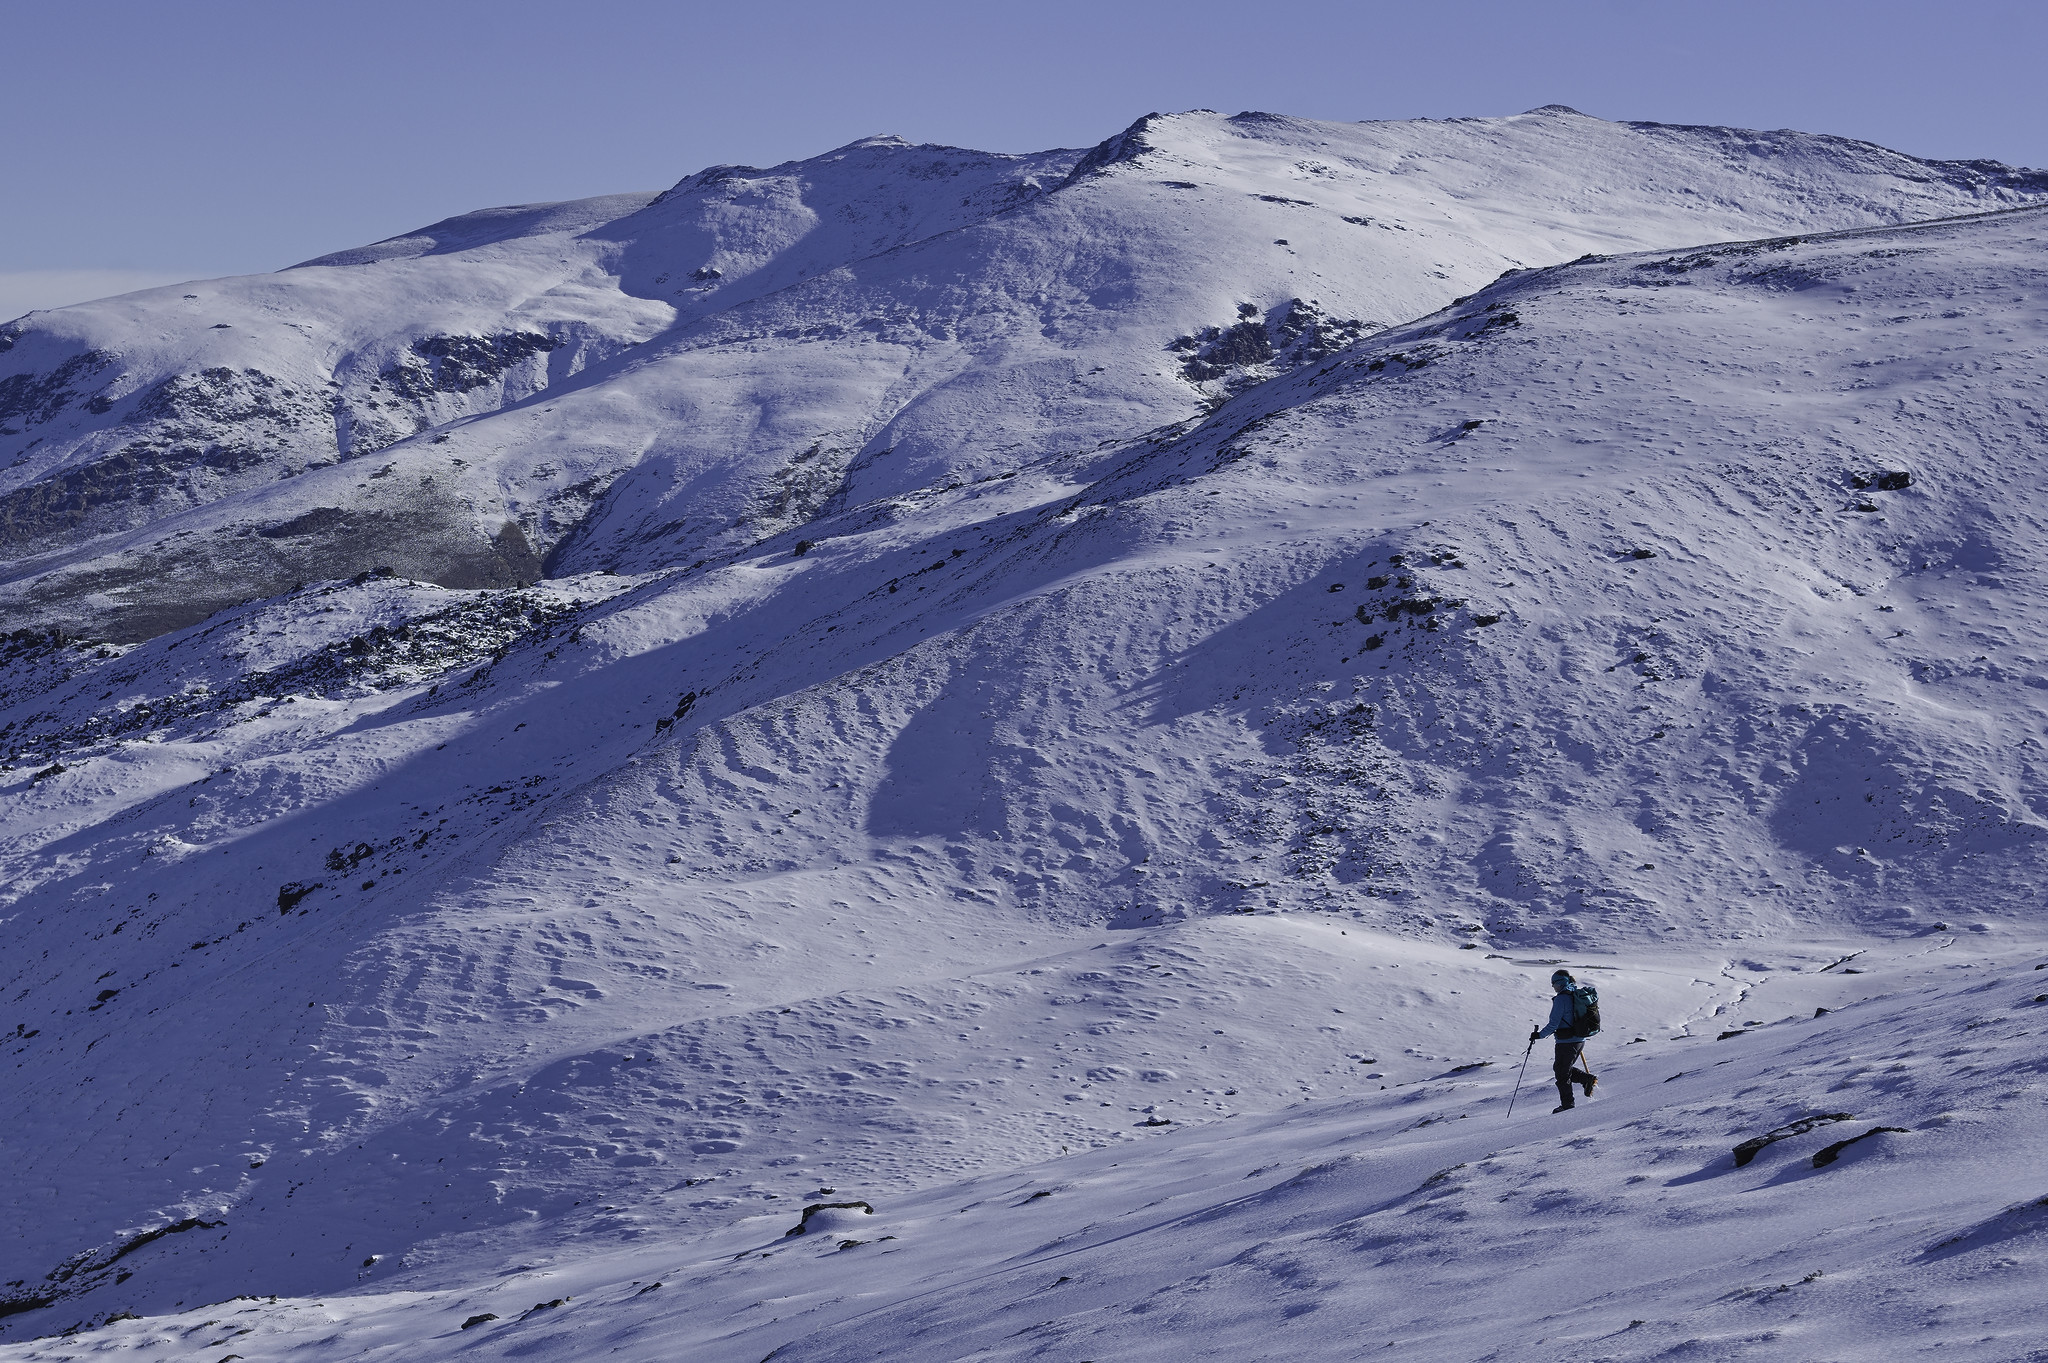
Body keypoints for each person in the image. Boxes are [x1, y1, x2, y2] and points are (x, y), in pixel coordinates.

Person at [1530, 969, 1598, 1113]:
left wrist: (1539, 1035)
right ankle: (1586, 1080)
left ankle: (1568, 1106)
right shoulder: (1574, 994)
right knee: (1561, 1070)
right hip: (1579, 1039)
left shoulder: (1562, 998)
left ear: (1560, 983)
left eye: (1554, 983)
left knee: (1562, 1074)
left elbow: (1554, 1023)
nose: (1553, 987)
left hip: (1567, 1041)